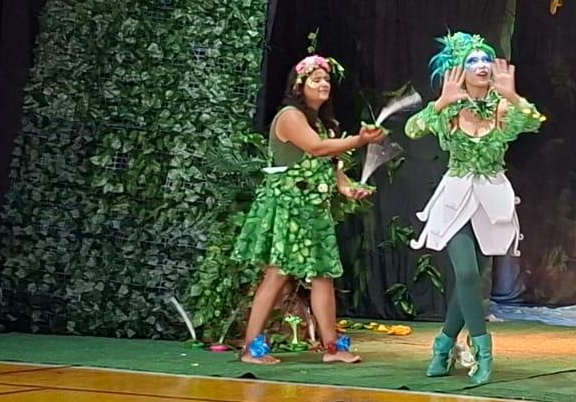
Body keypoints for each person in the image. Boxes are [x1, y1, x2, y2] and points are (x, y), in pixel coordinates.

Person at [406, 33, 545, 385]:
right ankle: (483, 352)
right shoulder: (450, 108)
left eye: (486, 59)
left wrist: (513, 95)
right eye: (472, 60)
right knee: (466, 274)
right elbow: (412, 129)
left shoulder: (502, 107)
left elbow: (533, 121)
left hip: (492, 198)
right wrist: (440, 103)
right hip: (456, 197)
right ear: (459, 70)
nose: (482, 65)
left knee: (473, 280)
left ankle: (443, 346)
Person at [232, 54, 386, 365]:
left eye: (326, 79)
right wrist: (358, 140)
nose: (324, 83)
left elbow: (331, 166)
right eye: (316, 79)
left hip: (315, 211)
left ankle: (332, 349)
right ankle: (250, 348)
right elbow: (315, 148)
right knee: (277, 274)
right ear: (298, 86)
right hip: (289, 208)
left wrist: (347, 187)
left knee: (323, 276)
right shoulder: (290, 116)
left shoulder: (324, 125)